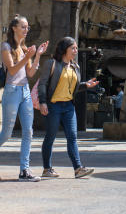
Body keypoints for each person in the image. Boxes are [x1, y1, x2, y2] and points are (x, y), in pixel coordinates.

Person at [0, 15, 48, 182]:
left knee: (28, 131)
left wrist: (37, 55)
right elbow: (11, 70)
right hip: (12, 91)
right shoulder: (6, 46)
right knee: (7, 133)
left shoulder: (25, 48)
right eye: (23, 27)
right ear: (14, 28)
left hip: (24, 90)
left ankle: (24, 170)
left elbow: (30, 73)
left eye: (27, 27)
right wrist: (27, 56)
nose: (26, 30)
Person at [38, 37, 99, 179]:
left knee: (72, 137)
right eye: (73, 48)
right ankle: (47, 168)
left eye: (76, 48)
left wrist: (85, 85)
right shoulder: (51, 64)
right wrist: (42, 102)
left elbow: (73, 88)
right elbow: (42, 84)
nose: (75, 51)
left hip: (69, 107)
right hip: (53, 106)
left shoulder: (75, 67)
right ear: (65, 49)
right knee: (50, 137)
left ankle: (78, 169)